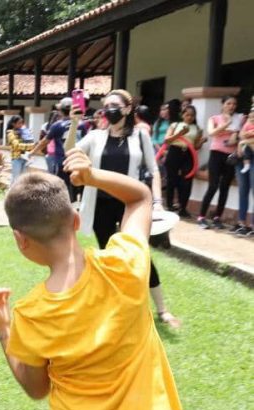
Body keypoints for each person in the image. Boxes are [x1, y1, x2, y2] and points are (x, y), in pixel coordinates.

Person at [0, 154, 194, 410]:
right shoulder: (125, 266)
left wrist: (3, 331)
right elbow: (140, 197)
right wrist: (91, 176)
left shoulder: (32, 313)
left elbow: (36, 389)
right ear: (76, 220)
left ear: (21, 239)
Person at [76, 90, 181, 328]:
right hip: (101, 204)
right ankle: (117, 306)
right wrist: (74, 121)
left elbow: (153, 170)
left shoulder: (140, 136)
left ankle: (162, 309)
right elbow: (70, 149)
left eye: (114, 105)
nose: (108, 110)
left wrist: (156, 203)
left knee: (140, 253)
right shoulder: (95, 136)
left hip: (130, 204)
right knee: (110, 255)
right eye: (105, 106)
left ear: (126, 108)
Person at [199, 95, 243, 229]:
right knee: (213, 185)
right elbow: (212, 133)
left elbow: (239, 135)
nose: (232, 106)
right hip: (216, 155)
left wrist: (229, 132)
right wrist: (227, 125)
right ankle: (201, 217)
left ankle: (217, 217)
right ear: (223, 104)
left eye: (234, 104)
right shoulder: (214, 118)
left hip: (231, 155)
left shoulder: (240, 119)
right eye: (229, 103)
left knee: (225, 187)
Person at [33, 97, 86, 202]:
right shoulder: (82, 125)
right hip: (77, 161)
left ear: (61, 111)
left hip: (62, 162)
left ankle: (65, 206)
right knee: (77, 186)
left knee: (62, 187)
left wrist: (33, 152)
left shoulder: (57, 125)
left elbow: (45, 141)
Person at [162, 105, 203, 218]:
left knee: (186, 182)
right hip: (175, 152)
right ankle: (169, 206)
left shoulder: (197, 128)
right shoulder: (175, 125)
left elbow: (195, 146)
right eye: (187, 115)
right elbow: (167, 140)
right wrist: (180, 133)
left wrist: (202, 142)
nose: (189, 117)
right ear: (182, 115)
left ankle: (183, 208)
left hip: (189, 154)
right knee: (171, 180)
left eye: (192, 115)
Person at [233, 107, 254, 236]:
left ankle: (252, 225)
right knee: (243, 192)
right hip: (241, 160)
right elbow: (240, 135)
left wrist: (245, 141)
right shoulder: (247, 118)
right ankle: (242, 223)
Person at [6, 116, 35, 186]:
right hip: (17, 158)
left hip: (26, 157)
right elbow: (16, 145)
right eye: (19, 123)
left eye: (22, 123)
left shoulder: (24, 131)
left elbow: (31, 141)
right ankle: (11, 194)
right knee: (15, 178)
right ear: (13, 124)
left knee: (24, 179)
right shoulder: (10, 133)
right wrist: (29, 146)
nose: (21, 125)